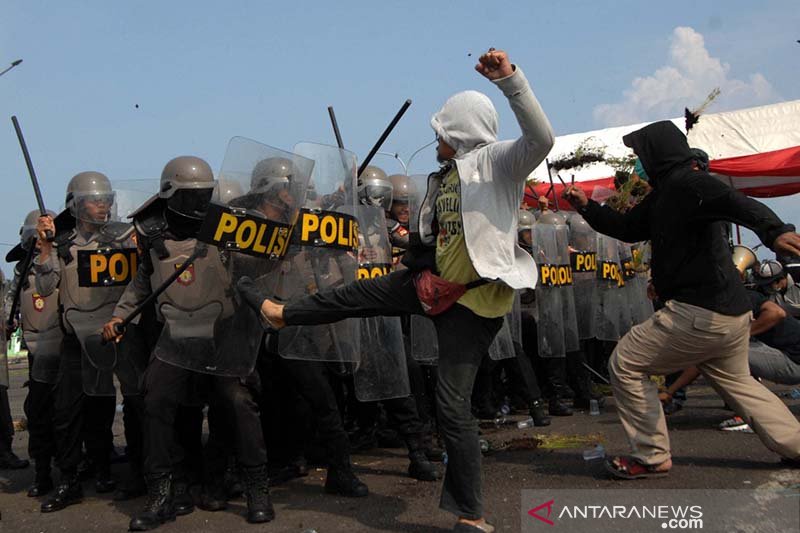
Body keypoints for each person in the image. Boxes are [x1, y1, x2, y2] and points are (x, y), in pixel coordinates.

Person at [258, 48, 554, 532]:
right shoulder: (442, 178)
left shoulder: (499, 164)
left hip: (473, 301)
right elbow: (430, 239)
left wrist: (511, 81)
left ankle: (472, 514)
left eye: (442, 130)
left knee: (452, 405)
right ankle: (283, 314)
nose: (435, 137)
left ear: (457, 132)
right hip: (429, 284)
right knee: (356, 295)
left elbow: (542, 137)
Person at [563, 120, 800, 479]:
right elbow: (628, 229)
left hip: (699, 311)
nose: (637, 163)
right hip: (729, 314)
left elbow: (738, 203)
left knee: (626, 363)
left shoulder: (690, 184)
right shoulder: (665, 194)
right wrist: (587, 207)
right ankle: (796, 445)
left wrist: (775, 231)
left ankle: (652, 455)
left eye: (640, 154)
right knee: (739, 384)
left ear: (657, 153)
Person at [104, 156, 273, 530]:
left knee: (239, 401)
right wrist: (119, 316)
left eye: (203, 194)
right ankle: (161, 493)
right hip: (176, 335)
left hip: (224, 333)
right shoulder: (151, 233)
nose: (198, 202)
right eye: (190, 195)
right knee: (157, 397)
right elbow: (141, 283)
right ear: (170, 195)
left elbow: (257, 262)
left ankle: (256, 489)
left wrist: (276, 250)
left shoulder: (225, 225)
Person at [35, 172, 138, 511]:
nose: (103, 206)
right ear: (76, 206)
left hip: (117, 333)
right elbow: (47, 288)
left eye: (107, 200)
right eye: (95, 200)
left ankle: (122, 471)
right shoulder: (63, 246)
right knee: (68, 410)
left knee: (127, 403)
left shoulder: (122, 238)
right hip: (77, 339)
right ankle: (69, 480)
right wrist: (46, 247)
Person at [4, 210, 60, 493]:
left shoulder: (62, 262)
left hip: (64, 347)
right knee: (37, 412)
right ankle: (42, 472)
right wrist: (8, 317)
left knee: (69, 410)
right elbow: (11, 300)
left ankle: (77, 465)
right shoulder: (21, 271)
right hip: (36, 351)